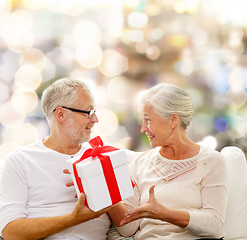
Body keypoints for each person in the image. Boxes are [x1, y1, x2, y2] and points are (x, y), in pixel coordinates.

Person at [0, 78, 131, 240]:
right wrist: (73, 219)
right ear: (61, 114)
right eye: (88, 112)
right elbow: (10, 232)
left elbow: (125, 226)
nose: (95, 119)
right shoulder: (21, 160)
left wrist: (102, 186)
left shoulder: (98, 156)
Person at [114, 83, 228, 240]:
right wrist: (103, 194)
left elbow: (215, 225)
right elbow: (127, 228)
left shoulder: (211, 161)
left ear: (173, 120)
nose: (143, 129)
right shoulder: (139, 164)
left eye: (148, 120)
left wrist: (164, 214)